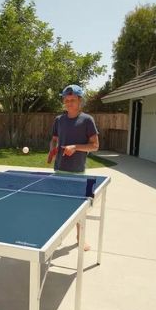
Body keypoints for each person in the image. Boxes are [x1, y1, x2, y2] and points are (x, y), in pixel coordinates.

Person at [47, 84, 99, 251]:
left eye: (72, 100)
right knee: (58, 206)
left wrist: (75, 147)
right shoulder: (59, 120)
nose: (69, 103)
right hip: (59, 169)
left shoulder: (87, 120)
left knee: (79, 208)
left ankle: (80, 237)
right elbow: (54, 139)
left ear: (79, 101)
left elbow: (95, 146)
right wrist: (51, 150)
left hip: (77, 170)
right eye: (66, 100)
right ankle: (58, 236)